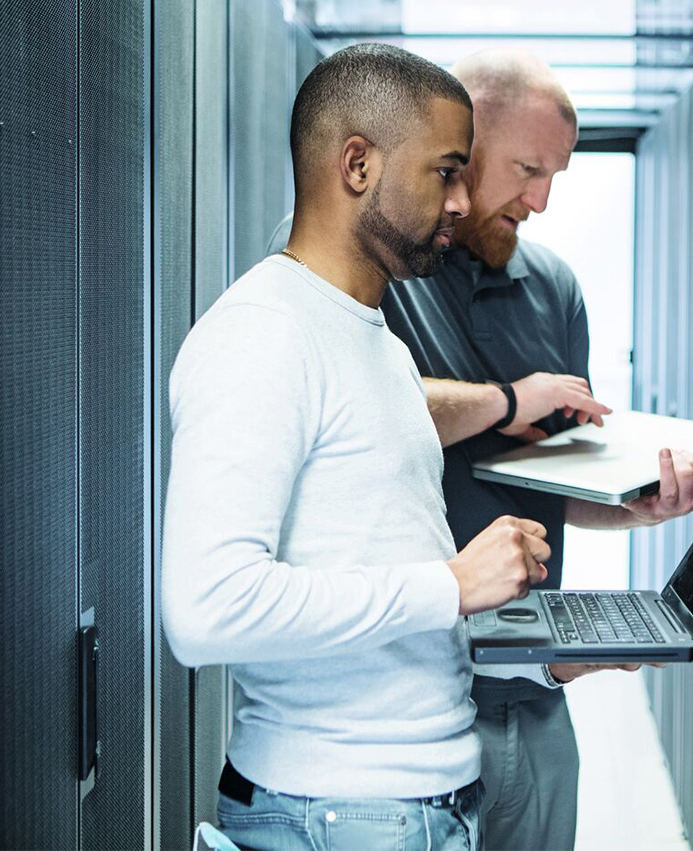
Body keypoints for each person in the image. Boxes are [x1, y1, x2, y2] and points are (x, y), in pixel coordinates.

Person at [266, 49, 693, 851]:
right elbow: (338, 410)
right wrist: (508, 401)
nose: (542, 200)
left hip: (540, 687)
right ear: (460, 139)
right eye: (527, 169)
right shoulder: (363, 254)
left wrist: (641, 505)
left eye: (556, 175)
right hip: (404, 702)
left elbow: (564, 486)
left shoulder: (554, 288)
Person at [161, 43, 554, 851]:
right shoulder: (263, 334)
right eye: (446, 170)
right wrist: (450, 583)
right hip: (336, 813)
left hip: (406, 805)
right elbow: (205, 611)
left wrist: (540, 657)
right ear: (357, 164)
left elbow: (376, 582)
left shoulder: (377, 342)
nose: (462, 199)